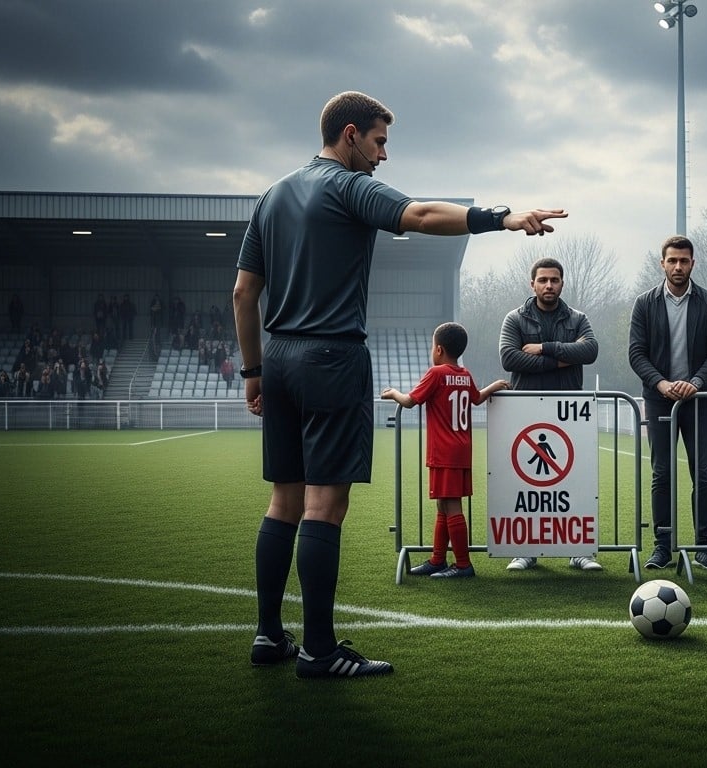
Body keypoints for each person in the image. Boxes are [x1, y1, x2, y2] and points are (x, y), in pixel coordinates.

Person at [233, 90, 566, 679]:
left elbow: (242, 293)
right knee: (322, 506)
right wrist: (504, 217)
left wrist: (254, 371)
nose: (383, 155)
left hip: (279, 356)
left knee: (282, 500)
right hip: (331, 357)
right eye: (381, 141)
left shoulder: (272, 194)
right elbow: (416, 215)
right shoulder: (346, 186)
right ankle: (317, 650)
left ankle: (267, 636)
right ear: (352, 133)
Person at [629, 235, 707, 571]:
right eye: (672, 260)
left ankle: (704, 546)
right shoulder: (645, 303)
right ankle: (662, 546)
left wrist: (697, 382)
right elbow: (636, 353)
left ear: (692, 263)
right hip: (659, 400)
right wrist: (661, 383)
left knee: (702, 474)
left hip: (699, 399)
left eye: (684, 260)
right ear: (662, 263)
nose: (678, 266)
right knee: (662, 473)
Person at [497, 256, 601, 571]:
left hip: (570, 410)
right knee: (527, 483)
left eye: (554, 280)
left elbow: (590, 351)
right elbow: (509, 358)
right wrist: (562, 357)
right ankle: (525, 550)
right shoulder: (514, 319)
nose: (549, 286)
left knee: (576, 479)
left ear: (562, 283)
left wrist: (544, 347)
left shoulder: (577, 318)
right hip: (525, 410)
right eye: (543, 280)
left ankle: (580, 551)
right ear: (532, 284)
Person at [382, 322, 508, 580]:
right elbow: (476, 398)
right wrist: (493, 386)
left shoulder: (436, 373)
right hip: (461, 450)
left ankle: (463, 565)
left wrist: (394, 393)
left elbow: (409, 401)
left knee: (451, 506)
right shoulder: (464, 374)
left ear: (438, 349)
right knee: (443, 504)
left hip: (444, 452)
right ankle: (438, 559)